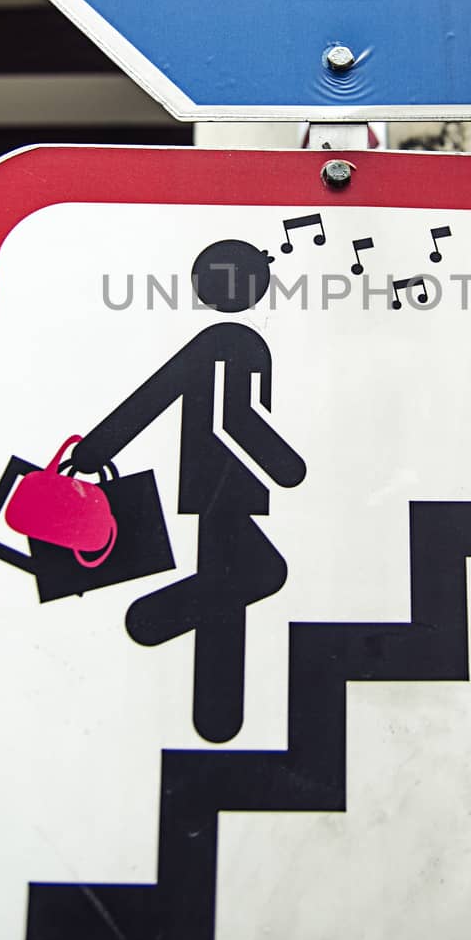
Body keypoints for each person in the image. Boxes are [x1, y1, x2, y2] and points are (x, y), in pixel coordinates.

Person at [70, 239, 305, 743]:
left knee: (234, 571)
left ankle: (217, 721)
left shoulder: (238, 341)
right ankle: (151, 621)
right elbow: (234, 419)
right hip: (225, 482)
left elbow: (149, 399)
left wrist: (95, 449)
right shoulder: (233, 343)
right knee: (258, 569)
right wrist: (286, 467)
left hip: (218, 485)